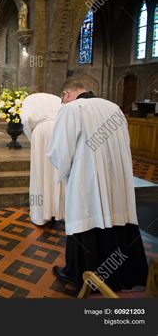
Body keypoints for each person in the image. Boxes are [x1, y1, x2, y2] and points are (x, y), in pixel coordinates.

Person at [47, 79, 149, 291]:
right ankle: (122, 275)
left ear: (66, 95)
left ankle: (78, 274)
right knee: (114, 217)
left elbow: (60, 151)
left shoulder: (72, 109)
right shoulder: (114, 108)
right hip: (116, 178)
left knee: (87, 216)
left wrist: (65, 171)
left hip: (87, 178)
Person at [20, 93, 65, 227]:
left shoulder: (30, 100)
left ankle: (40, 213)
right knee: (58, 171)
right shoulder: (56, 99)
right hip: (59, 129)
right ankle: (60, 210)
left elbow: (26, 120)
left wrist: (31, 135)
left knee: (39, 171)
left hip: (40, 132)